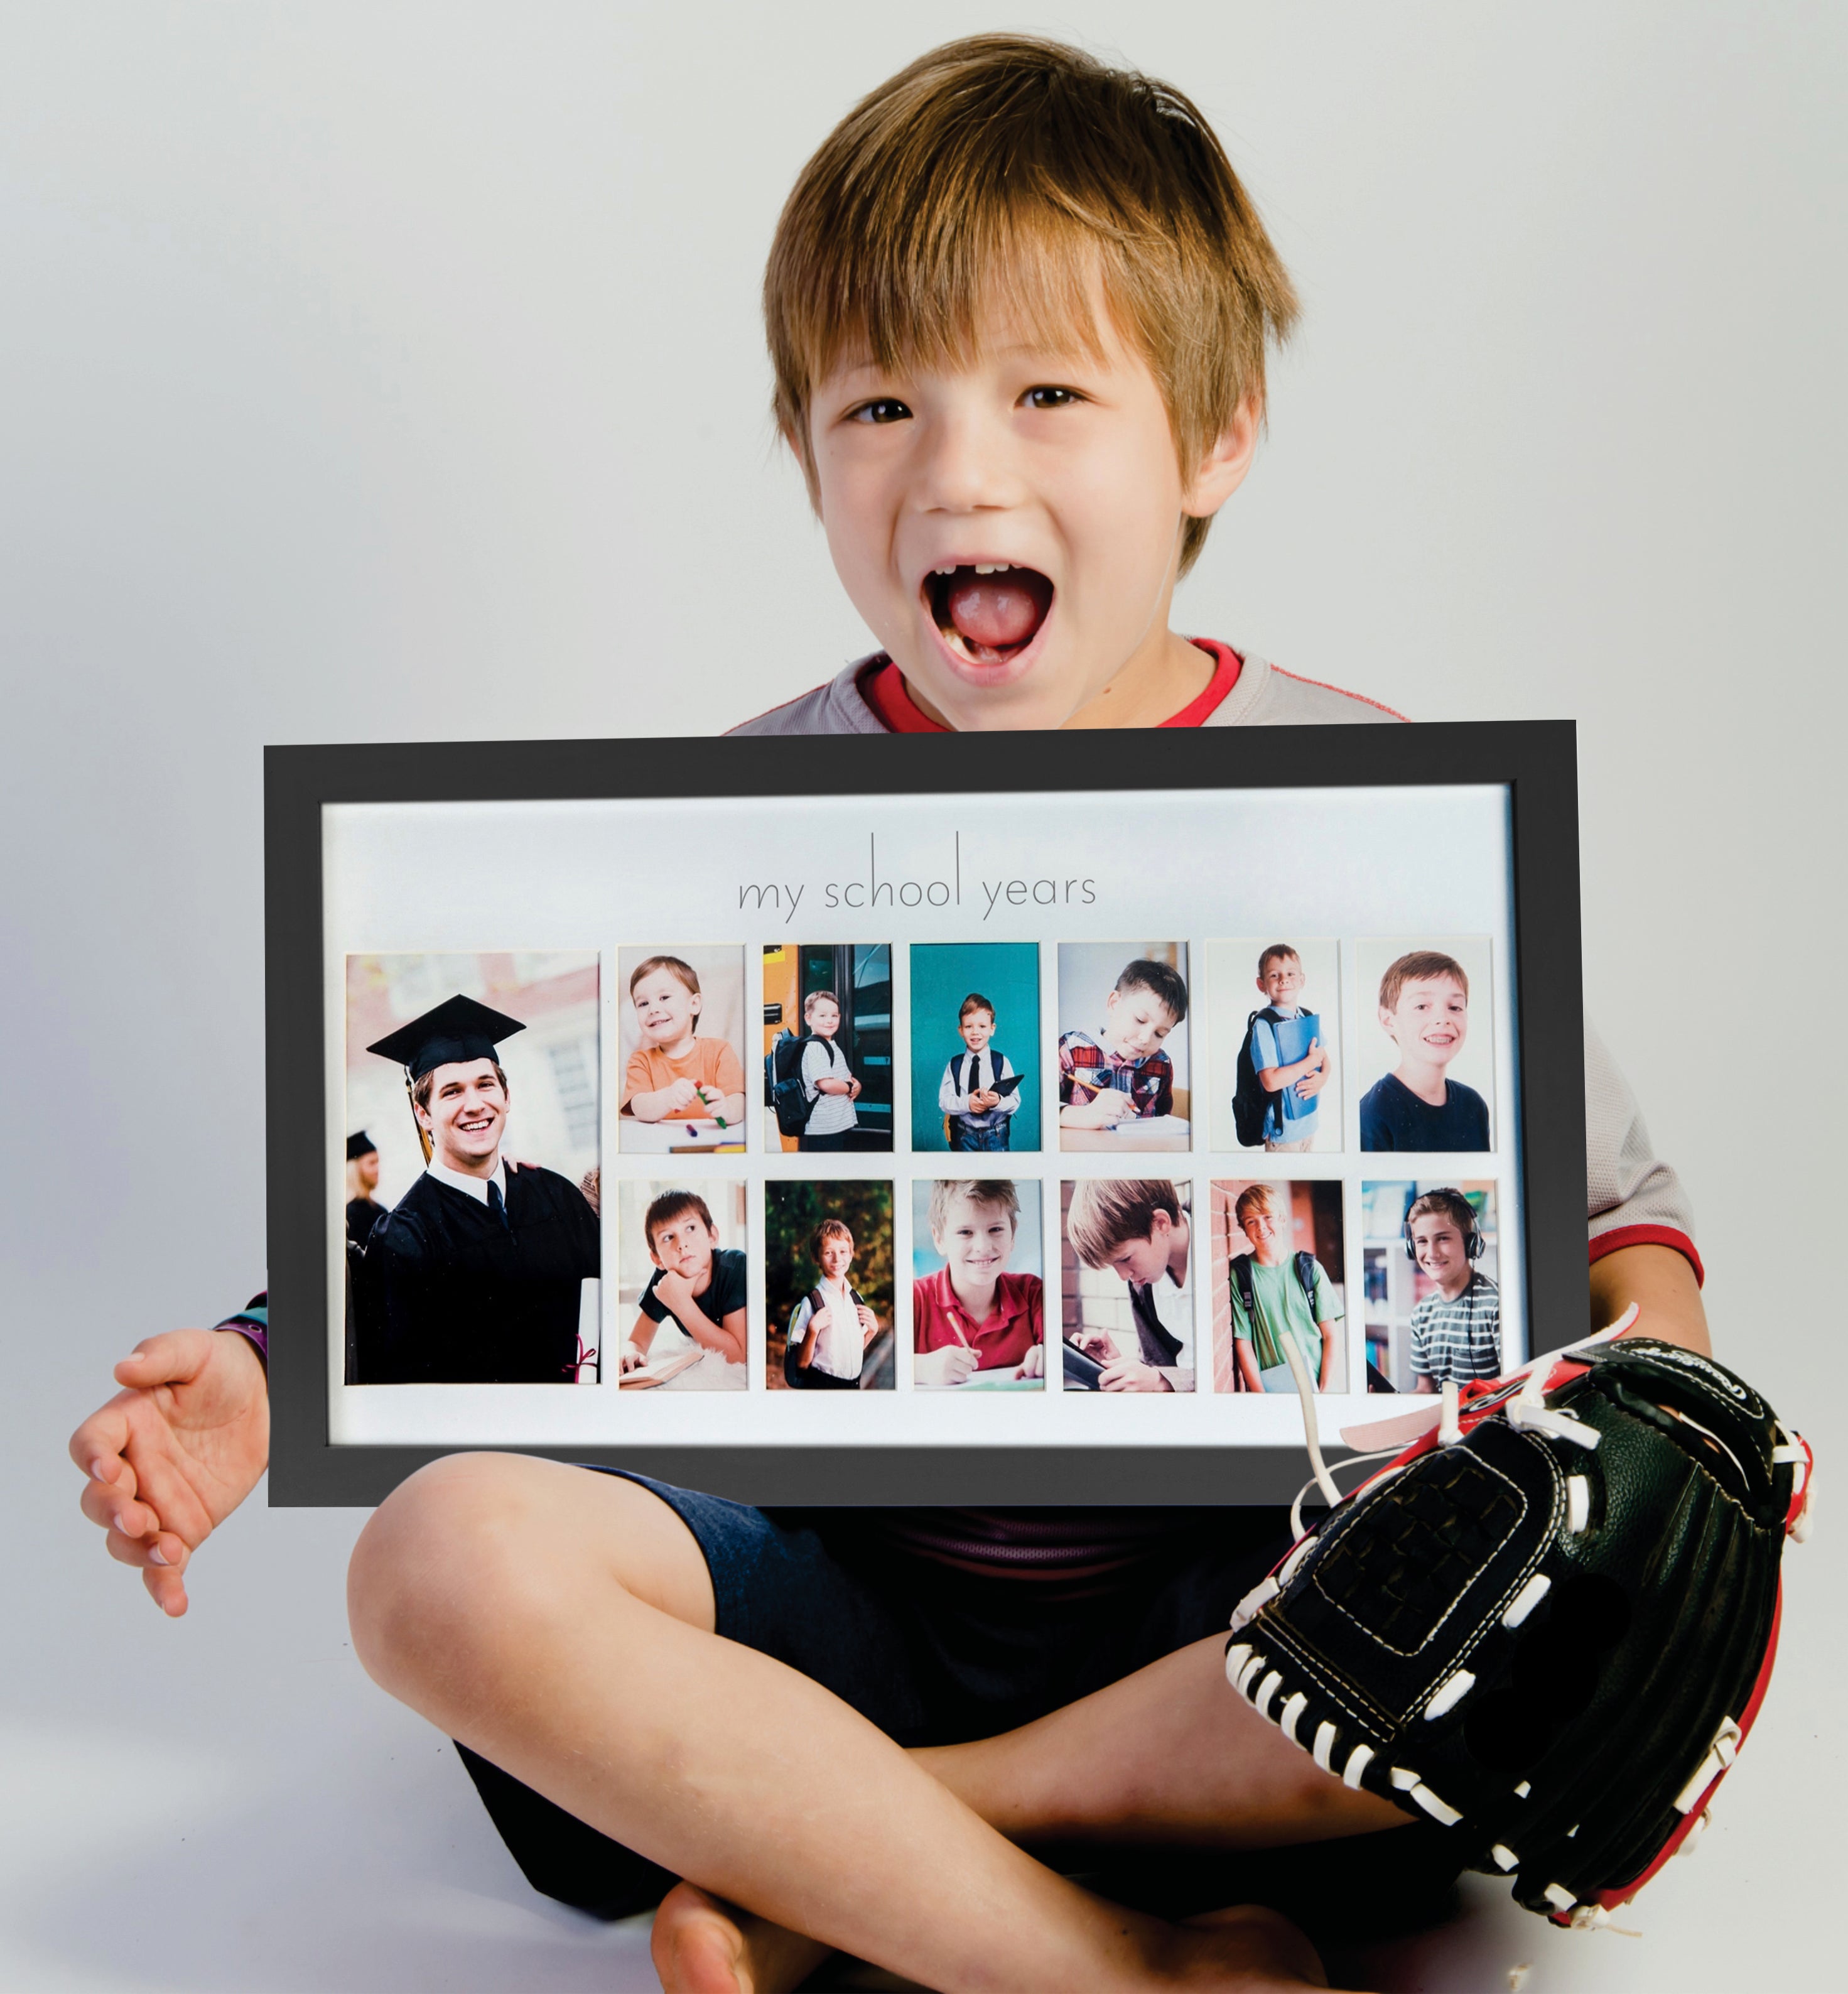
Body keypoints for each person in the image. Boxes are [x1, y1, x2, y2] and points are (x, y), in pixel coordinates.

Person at [72, 36, 1716, 1994]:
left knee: (1502, 1607)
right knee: (432, 1560)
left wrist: (1656, 1405)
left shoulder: (1368, 799)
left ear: (1213, 438)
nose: (959, 467)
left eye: (1046, 392)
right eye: (880, 403)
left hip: (1240, 1633)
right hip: (823, 1601)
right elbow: (546, 1181)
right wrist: (266, 1365)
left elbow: (1617, 1208)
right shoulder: (735, 813)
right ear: (811, 455)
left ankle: (850, 1845)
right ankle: (1113, 1962)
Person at [354, 994, 601, 1384]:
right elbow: (399, 1379)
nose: (474, 1105)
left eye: (485, 1085)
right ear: (424, 1114)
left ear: (506, 1097)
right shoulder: (405, 1236)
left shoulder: (554, 1194)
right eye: (452, 1092)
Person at [1063, 1178, 1197, 1393]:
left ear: (1161, 1223)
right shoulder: (1144, 1283)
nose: (1124, 1276)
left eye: (1125, 1259)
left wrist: (1162, 1381)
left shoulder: (1224, 1246)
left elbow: (1237, 1365)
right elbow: (1158, 1365)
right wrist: (1118, 1366)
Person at [912, 1180, 1044, 1387]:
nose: (983, 1247)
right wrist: (919, 1367)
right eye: (965, 1232)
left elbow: (1063, 1357)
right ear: (939, 1239)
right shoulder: (914, 1298)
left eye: (996, 1229)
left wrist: (1051, 1356)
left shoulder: (1034, 1293)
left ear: (1013, 1235)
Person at [1359, 950, 1491, 1152]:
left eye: (1455, 1007)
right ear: (1388, 1020)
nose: (1442, 1018)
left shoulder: (1473, 1105)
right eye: (1422, 1006)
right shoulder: (1373, 1113)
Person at [619, 1189, 747, 1389]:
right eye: (668, 1237)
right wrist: (630, 1352)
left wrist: (681, 1303)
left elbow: (738, 1356)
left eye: (690, 1228)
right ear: (657, 1259)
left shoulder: (735, 1266)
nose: (682, 1244)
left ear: (712, 1236)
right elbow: (636, 1340)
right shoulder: (664, 1280)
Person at [1224, 1183, 1342, 1394]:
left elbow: (1331, 1335)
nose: (1261, 1227)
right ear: (1244, 1230)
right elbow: (1243, 1343)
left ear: (1282, 1219)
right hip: (1271, 1391)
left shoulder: (1309, 1269)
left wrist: (1323, 1390)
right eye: (1252, 1221)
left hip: (1315, 1387)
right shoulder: (1241, 1276)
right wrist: (1262, 1396)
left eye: (1268, 1217)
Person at [1057, 957, 1187, 1129]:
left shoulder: (1162, 1064)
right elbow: (1040, 1112)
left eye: (1159, 1033)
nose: (1146, 1039)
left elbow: (1163, 1121)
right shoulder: (1072, 1047)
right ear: (1114, 1004)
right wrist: (1084, 1115)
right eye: (1140, 1020)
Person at [623, 955, 747, 1128]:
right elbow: (638, 1107)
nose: (653, 1009)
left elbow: (739, 1100)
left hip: (712, 1141)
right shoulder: (640, 1061)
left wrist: (727, 1109)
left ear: (694, 1004)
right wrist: (667, 1098)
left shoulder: (719, 1051)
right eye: (643, 1003)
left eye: (664, 997)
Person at [1403, 1188, 1503, 1391]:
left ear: (1471, 1243)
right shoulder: (1421, 1314)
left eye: (1443, 1238)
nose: (1432, 1253)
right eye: (1421, 1241)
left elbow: (1515, 1386)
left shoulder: (1496, 1305)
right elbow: (1425, 1389)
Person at [1245, 947, 1328, 1152]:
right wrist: (1310, 1063)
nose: (1284, 980)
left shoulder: (1306, 1018)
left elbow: (1324, 1058)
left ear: (1301, 980)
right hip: (1284, 1134)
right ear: (1261, 984)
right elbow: (1271, 1081)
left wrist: (1323, 1077)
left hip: (1309, 1124)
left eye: (1291, 974)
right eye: (1275, 975)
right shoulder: (1264, 1026)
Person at [782, 1216, 880, 1389]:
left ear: (851, 1254)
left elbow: (849, 1352)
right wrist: (812, 1330)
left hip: (853, 1387)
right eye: (829, 1253)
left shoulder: (855, 1300)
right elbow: (802, 1364)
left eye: (843, 1252)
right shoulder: (812, 1302)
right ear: (816, 1258)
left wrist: (872, 1332)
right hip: (824, 1388)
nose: (837, 1259)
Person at [937, 992, 1023, 1151]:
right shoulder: (955, 1065)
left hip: (996, 1135)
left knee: (997, 1176)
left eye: (982, 1026)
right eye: (969, 1027)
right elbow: (944, 1101)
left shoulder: (1001, 1062)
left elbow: (1015, 1102)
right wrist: (966, 1103)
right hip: (965, 1136)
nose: (975, 1032)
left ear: (992, 1029)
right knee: (966, 1176)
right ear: (961, 1030)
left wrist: (997, 1101)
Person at [796, 988, 862, 1151]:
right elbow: (825, 1084)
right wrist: (849, 1087)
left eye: (834, 1016)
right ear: (808, 1019)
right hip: (824, 1129)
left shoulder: (830, 1045)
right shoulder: (816, 1048)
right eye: (823, 1016)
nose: (830, 1021)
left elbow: (842, 1076)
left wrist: (856, 1085)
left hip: (837, 1124)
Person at [344, 1130, 387, 1246]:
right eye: (371, 1163)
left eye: (377, 1162)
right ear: (355, 1169)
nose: (377, 1169)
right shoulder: (350, 1215)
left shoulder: (378, 1209)